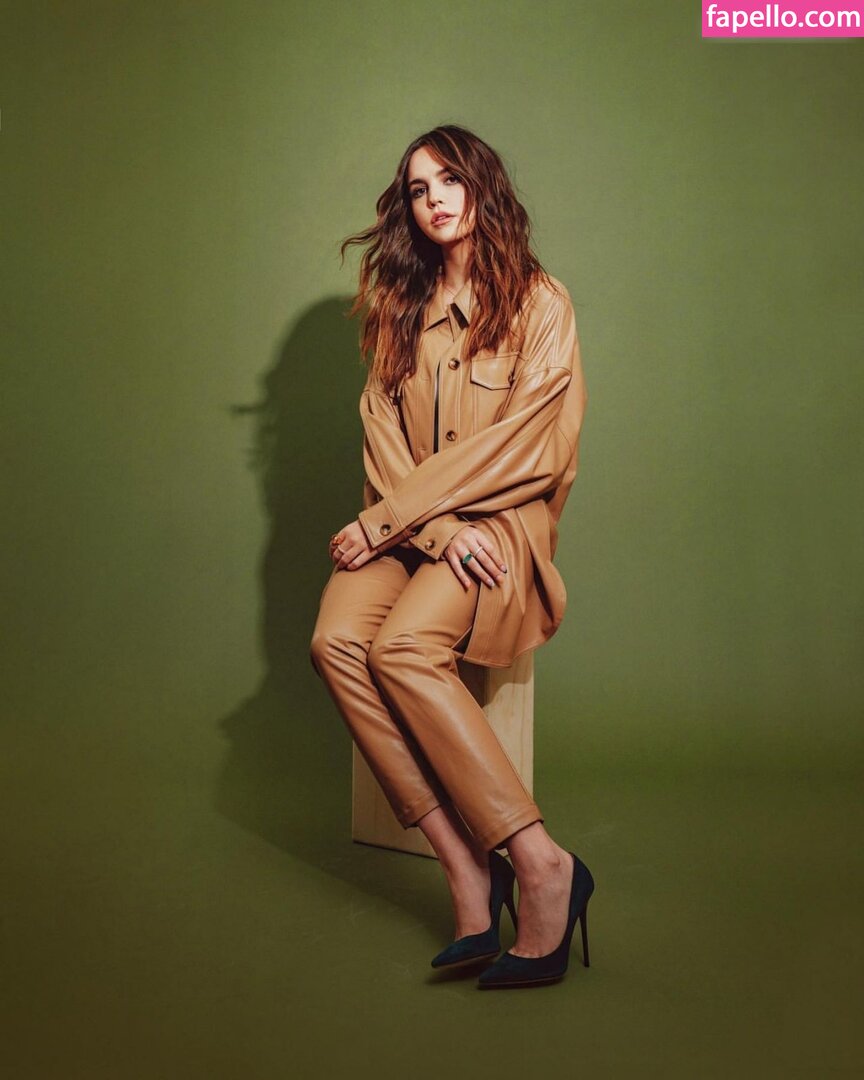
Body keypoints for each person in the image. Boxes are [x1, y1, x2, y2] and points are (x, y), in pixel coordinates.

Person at [309, 124, 594, 989]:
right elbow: (382, 443)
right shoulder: (400, 310)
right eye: (418, 188)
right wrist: (428, 529)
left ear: (482, 187)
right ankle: (468, 870)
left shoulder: (541, 302)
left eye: (450, 181)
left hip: (500, 528)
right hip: (418, 533)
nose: (435, 199)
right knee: (336, 642)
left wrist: (402, 520)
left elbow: (530, 449)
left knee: (402, 648)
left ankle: (542, 864)